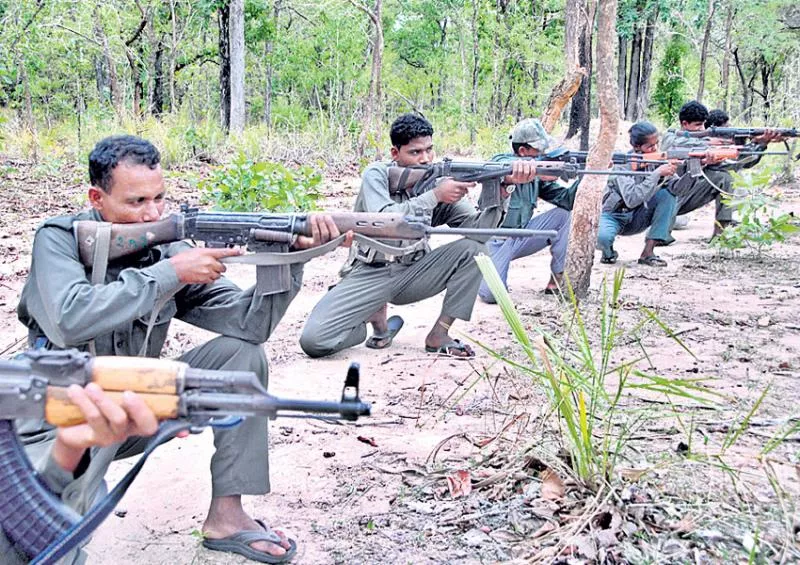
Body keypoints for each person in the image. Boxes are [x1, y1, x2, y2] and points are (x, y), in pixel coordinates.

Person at [12, 135, 343, 564]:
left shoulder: (166, 247)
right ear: (97, 198)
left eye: (159, 199)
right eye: (136, 202)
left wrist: (288, 259)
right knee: (45, 542)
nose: (152, 213)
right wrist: (170, 274)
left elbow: (249, 325)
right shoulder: (58, 239)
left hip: (134, 406)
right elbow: (70, 317)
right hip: (55, 419)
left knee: (238, 357)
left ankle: (227, 517)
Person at [299, 113, 536, 359]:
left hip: (413, 273)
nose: (425, 159)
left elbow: (480, 232)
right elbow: (387, 218)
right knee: (314, 341)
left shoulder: (438, 182)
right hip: (367, 274)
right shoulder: (377, 174)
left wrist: (504, 188)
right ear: (395, 154)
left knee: (475, 251)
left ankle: (439, 335)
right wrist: (434, 196)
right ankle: (370, 326)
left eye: (429, 150)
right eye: (415, 152)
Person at [477, 118, 577, 303]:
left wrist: (586, 175)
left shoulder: (536, 176)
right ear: (522, 151)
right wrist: (526, 172)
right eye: (539, 153)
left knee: (563, 215)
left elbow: (568, 200)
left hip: (521, 235)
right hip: (494, 240)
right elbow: (500, 165)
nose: (543, 157)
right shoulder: (500, 163)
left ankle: (557, 279)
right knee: (492, 296)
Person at [661, 100, 779, 241]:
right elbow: (671, 145)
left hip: (686, 196)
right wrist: (707, 142)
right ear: (684, 124)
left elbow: (736, 164)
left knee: (725, 178)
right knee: (668, 231)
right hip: (666, 198)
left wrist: (760, 144)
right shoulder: (672, 136)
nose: (702, 129)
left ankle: (721, 234)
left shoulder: (707, 142)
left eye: (703, 125)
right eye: (698, 125)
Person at [596, 122, 678, 266]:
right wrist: (657, 174)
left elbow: (678, 189)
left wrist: (698, 166)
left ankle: (648, 253)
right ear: (637, 147)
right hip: (614, 214)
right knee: (602, 238)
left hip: (639, 215)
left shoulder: (657, 159)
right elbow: (631, 199)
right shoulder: (623, 163)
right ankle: (608, 253)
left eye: (656, 144)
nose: (655, 149)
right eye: (650, 146)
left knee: (667, 195)